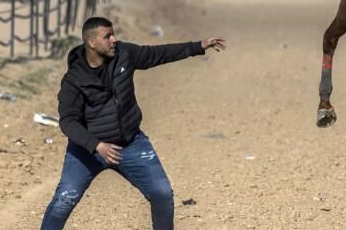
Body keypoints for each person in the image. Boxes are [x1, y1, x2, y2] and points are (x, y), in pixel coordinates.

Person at [41, 16, 226, 230]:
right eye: (107, 36)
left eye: (113, 34)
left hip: (130, 143)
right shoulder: (73, 79)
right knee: (63, 201)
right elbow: (68, 122)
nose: (114, 40)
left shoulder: (125, 55)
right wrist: (96, 145)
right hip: (88, 150)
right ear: (91, 43)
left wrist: (197, 46)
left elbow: (157, 54)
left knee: (162, 193)